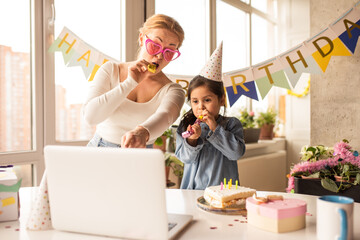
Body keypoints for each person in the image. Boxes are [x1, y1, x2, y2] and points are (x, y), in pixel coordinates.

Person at [83, 14, 185, 148]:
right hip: (99, 150)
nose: (160, 56)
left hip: (141, 156)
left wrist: (142, 132)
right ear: (142, 39)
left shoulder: (173, 90)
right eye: (155, 46)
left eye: (169, 52)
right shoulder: (110, 70)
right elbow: (91, 117)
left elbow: (166, 116)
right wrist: (129, 83)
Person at [175, 43, 246, 190]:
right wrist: (192, 140)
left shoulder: (232, 124)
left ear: (221, 100)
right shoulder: (185, 126)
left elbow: (236, 153)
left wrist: (215, 127)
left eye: (207, 100)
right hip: (192, 191)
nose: (200, 106)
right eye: (195, 101)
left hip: (224, 192)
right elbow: (184, 158)